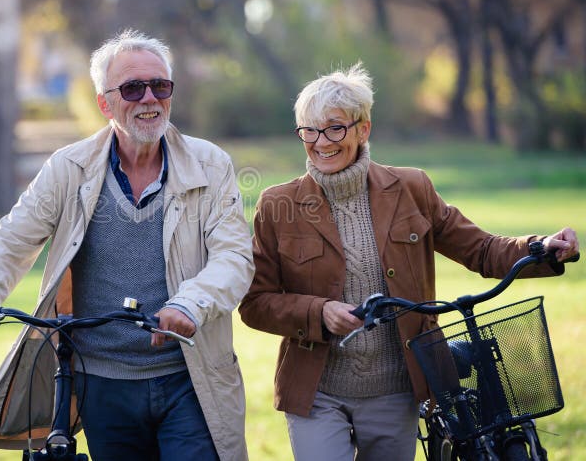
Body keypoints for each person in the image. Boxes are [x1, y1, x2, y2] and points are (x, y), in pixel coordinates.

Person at [0, 29, 254, 460]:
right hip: (101, 382)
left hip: (189, 376)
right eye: (132, 88)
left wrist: (188, 305)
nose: (149, 99)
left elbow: (234, 257)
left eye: (160, 86)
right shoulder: (69, 168)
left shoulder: (210, 164)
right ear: (105, 103)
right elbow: (13, 239)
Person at [238, 62, 579, 461]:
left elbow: (481, 249)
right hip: (317, 392)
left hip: (398, 388)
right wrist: (320, 312)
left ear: (363, 128)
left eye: (334, 128)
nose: (320, 141)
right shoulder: (278, 204)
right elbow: (256, 302)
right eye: (309, 130)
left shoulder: (411, 188)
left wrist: (539, 247)